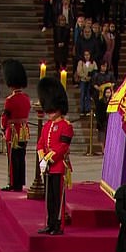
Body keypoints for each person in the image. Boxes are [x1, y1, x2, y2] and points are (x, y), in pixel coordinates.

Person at [37, 77, 73, 235]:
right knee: (49, 198)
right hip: (47, 168)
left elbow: (63, 147)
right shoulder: (46, 126)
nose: (49, 112)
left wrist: (47, 159)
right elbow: (40, 144)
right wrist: (41, 160)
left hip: (58, 167)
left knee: (58, 198)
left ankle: (58, 224)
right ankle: (50, 223)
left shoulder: (66, 126)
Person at [1, 60, 31, 192]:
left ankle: (13, 183)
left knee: (13, 159)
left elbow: (5, 117)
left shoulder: (10, 100)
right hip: (24, 130)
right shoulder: (26, 97)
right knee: (21, 157)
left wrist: (3, 128)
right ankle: (20, 182)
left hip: (13, 131)